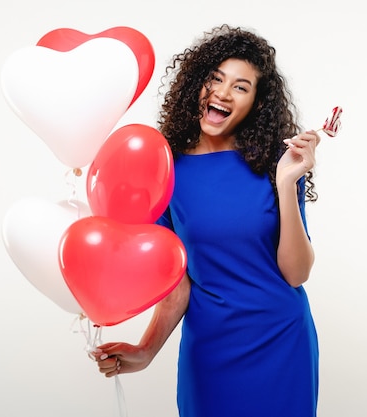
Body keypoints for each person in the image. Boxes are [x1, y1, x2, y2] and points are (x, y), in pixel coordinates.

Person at [93, 24, 321, 417]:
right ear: (197, 84)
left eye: (241, 87)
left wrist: (287, 184)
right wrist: (146, 351)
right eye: (215, 79)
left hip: (281, 341)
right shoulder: (164, 170)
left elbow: (296, 273)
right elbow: (176, 284)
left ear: (256, 103)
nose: (222, 92)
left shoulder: (275, 165)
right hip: (210, 350)